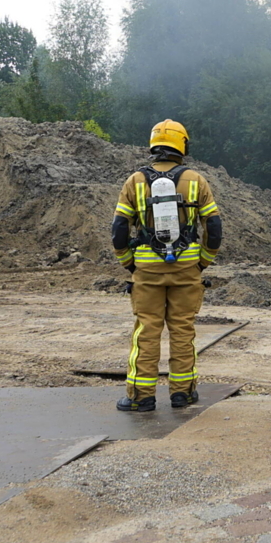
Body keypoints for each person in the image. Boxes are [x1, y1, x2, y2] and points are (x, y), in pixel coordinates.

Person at [111, 119, 222, 411]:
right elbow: (214, 225)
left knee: (147, 331)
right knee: (183, 330)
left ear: (154, 144)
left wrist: (130, 265)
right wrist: (202, 263)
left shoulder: (135, 181)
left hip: (146, 270)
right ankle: (182, 393)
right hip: (187, 269)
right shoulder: (197, 180)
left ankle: (141, 398)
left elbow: (119, 229)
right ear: (181, 145)